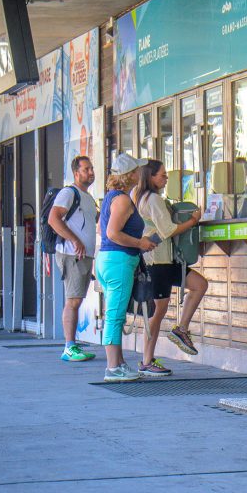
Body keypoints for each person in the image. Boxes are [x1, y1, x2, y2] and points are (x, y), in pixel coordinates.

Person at [132, 159, 207, 376]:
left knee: (199, 285)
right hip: (158, 260)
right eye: (163, 175)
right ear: (151, 177)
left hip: (166, 258)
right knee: (158, 311)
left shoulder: (142, 198)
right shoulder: (153, 199)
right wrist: (192, 221)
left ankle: (181, 328)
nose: (166, 179)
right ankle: (147, 360)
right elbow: (168, 230)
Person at [95, 153, 157, 382]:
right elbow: (112, 233)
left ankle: (119, 363)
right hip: (119, 261)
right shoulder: (121, 200)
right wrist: (140, 243)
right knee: (115, 315)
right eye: (137, 170)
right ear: (130, 174)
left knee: (116, 313)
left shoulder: (111, 197)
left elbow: (102, 231)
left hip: (110, 260)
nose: (141, 174)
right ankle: (112, 367)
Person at [48, 155, 98, 362]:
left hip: (83, 255)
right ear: (76, 173)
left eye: (91, 168)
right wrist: (75, 241)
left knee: (76, 300)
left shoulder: (87, 196)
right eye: (86, 169)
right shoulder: (69, 193)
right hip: (71, 254)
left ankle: (72, 344)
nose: (90, 172)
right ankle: (69, 346)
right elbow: (53, 219)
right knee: (73, 300)